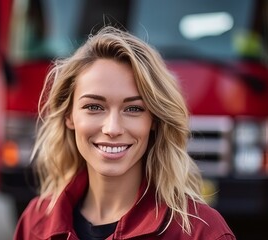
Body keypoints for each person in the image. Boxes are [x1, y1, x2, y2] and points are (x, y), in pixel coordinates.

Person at [14, 26, 236, 240]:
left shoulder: (202, 233)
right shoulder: (35, 222)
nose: (112, 129)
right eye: (94, 107)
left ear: (155, 120)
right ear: (69, 116)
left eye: (133, 109)